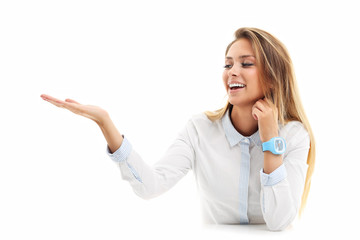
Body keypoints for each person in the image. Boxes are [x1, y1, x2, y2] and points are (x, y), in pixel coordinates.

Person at [40, 27, 315, 231]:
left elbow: (279, 222)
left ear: (272, 77)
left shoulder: (294, 136)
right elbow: (150, 186)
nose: (232, 72)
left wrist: (270, 141)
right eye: (228, 64)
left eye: (246, 64)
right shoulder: (199, 129)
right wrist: (105, 122)